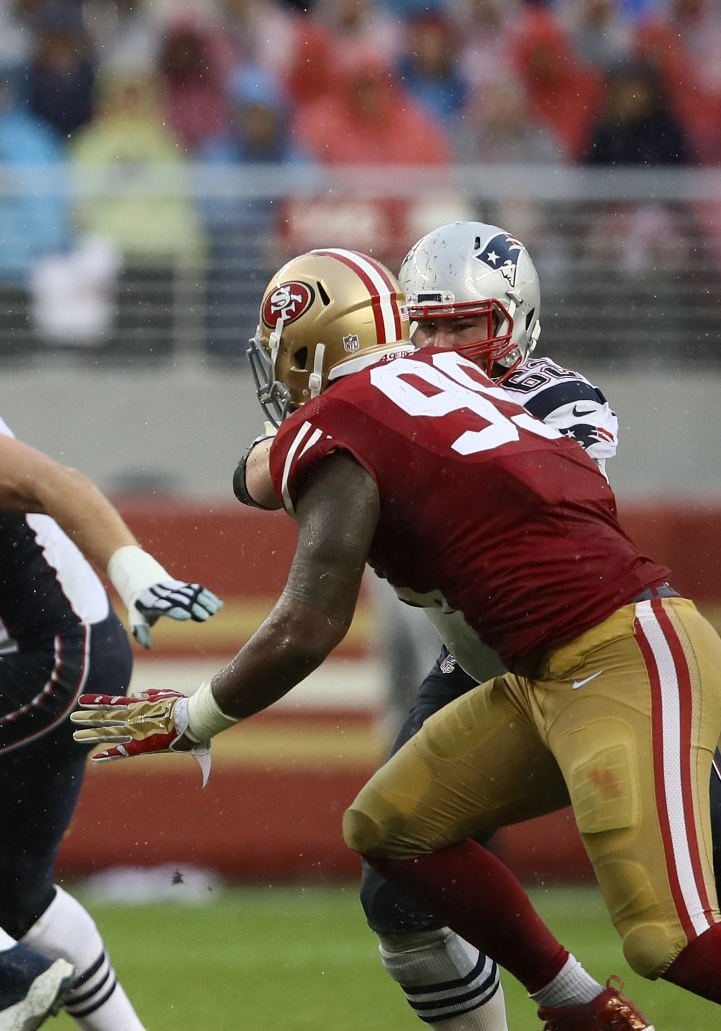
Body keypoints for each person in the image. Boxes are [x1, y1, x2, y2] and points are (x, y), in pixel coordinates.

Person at [73, 247, 721, 1026]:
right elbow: (272, 474)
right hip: (542, 670)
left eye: (285, 354)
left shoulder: (343, 422)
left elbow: (310, 624)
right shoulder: (448, 381)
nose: (277, 375)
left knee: (669, 942)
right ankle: (575, 1004)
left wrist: (193, 719)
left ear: (312, 346)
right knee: (394, 829)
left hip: (622, 652)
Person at [0, 390, 222, 1031]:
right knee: (8, 893)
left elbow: (55, 481)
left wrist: (134, 568)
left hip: (54, 661)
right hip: (60, 663)